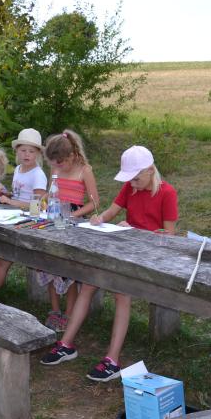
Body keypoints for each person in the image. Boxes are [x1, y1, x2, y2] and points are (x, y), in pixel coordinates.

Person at [40, 145, 178, 381]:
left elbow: (169, 235)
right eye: (130, 180)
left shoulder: (167, 193)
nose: (132, 184)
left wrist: (136, 231)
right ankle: (66, 344)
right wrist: (100, 218)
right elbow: (113, 210)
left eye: (135, 179)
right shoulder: (130, 187)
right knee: (89, 284)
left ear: (150, 170)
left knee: (121, 294)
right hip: (123, 248)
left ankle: (112, 359)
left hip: (147, 255)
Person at [32, 130, 101, 331]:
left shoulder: (84, 170)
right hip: (55, 218)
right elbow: (52, 192)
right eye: (52, 163)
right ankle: (55, 309)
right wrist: (43, 200)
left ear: (70, 156)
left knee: (68, 270)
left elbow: (95, 202)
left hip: (74, 220)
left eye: (59, 163)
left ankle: (70, 313)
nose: (55, 167)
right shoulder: (55, 168)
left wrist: (74, 215)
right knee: (49, 264)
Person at [0, 129, 48, 298]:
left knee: (2, 264)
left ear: (38, 153)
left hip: (29, 224)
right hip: (11, 217)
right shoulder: (18, 170)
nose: (27, 155)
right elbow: (18, 195)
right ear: (16, 151)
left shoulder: (38, 175)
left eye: (31, 151)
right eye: (23, 150)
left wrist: (10, 202)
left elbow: (38, 206)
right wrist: (6, 194)